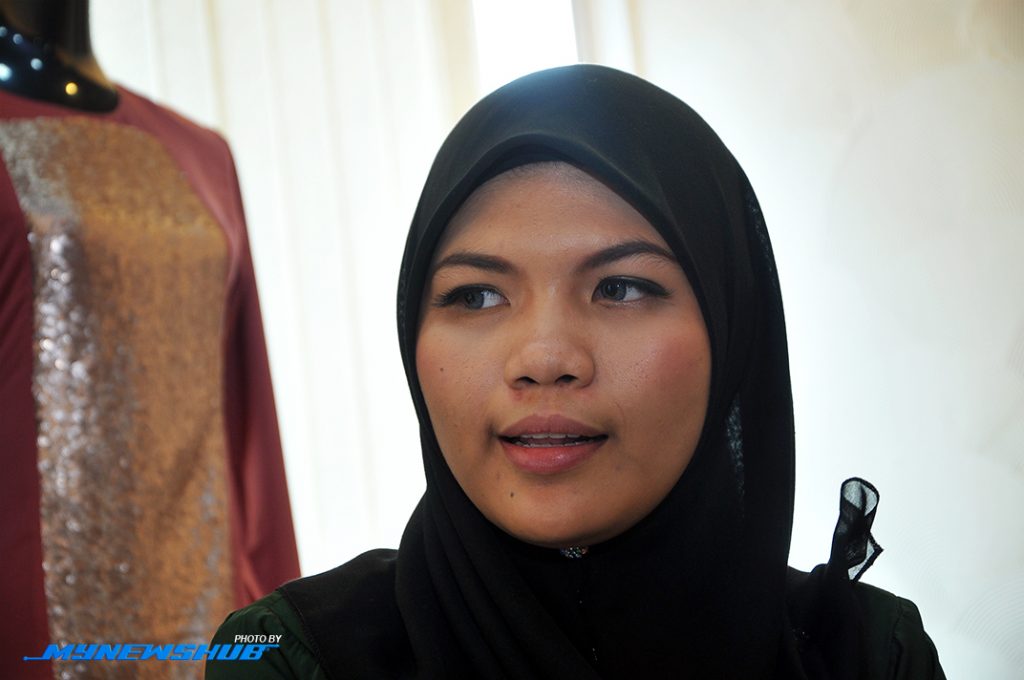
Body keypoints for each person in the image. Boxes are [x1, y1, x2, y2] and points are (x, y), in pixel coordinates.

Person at [206, 64, 945, 679]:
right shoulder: (293, 658)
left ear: (730, 329)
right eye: (477, 295)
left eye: (620, 288)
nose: (545, 359)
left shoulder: (869, 657)